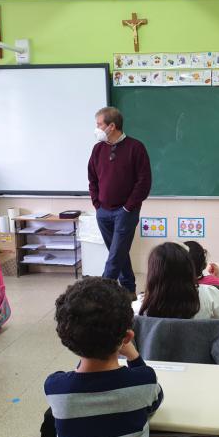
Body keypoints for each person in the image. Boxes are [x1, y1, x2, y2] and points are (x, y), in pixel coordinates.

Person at [43, 277, 163, 437]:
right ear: (128, 337)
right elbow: (154, 404)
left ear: (66, 338)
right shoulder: (143, 381)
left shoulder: (55, 388)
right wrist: (134, 356)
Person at [88, 107, 152, 299]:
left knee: (115, 256)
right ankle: (129, 288)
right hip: (103, 212)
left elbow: (144, 182)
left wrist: (128, 207)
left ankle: (101, 295)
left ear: (112, 126)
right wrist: (97, 204)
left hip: (126, 212)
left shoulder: (136, 147)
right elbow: (92, 178)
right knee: (119, 252)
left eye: (99, 124)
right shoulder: (98, 149)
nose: (96, 128)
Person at [136, 242, 219, 324]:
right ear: (188, 268)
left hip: (152, 357)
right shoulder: (207, 294)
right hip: (200, 355)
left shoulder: (140, 306)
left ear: (152, 273)